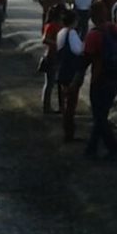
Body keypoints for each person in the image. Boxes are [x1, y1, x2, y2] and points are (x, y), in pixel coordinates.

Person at [82, 3, 117, 159]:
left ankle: (113, 147)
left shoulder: (94, 35)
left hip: (99, 78)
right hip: (114, 78)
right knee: (102, 114)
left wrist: (77, 80)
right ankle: (92, 148)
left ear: (92, 16)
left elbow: (85, 60)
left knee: (99, 116)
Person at [51, 10, 86, 142]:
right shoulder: (71, 33)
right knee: (71, 103)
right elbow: (78, 50)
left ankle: (67, 130)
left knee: (65, 102)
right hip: (71, 71)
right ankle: (69, 133)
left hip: (62, 70)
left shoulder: (61, 33)